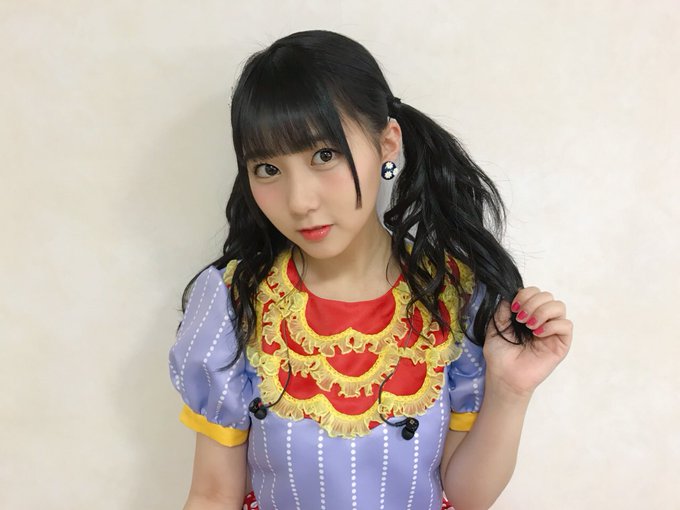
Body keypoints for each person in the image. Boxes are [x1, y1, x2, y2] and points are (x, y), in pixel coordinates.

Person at [168, 29, 572, 510]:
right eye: (267, 169)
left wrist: (510, 390)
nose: (299, 201)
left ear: (387, 144)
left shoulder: (455, 293)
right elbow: (213, 494)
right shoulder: (233, 301)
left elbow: (469, 497)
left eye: (324, 155)